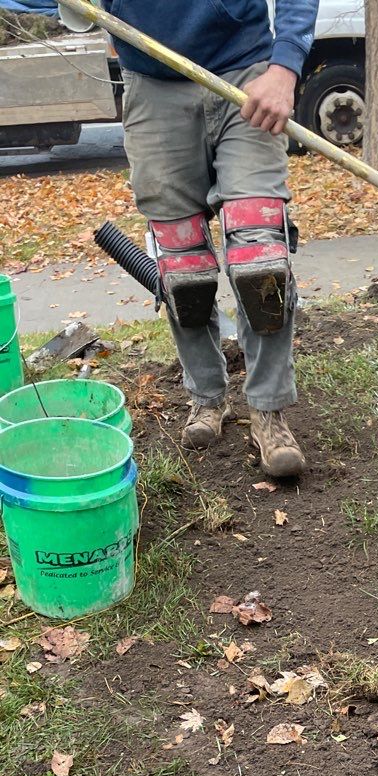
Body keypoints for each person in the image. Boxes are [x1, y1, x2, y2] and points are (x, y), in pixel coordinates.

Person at [76, 0, 318, 475]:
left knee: (259, 256)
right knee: (181, 267)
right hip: (152, 86)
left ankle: (267, 409)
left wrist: (285, 66)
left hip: (245, 76)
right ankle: (208, 397)